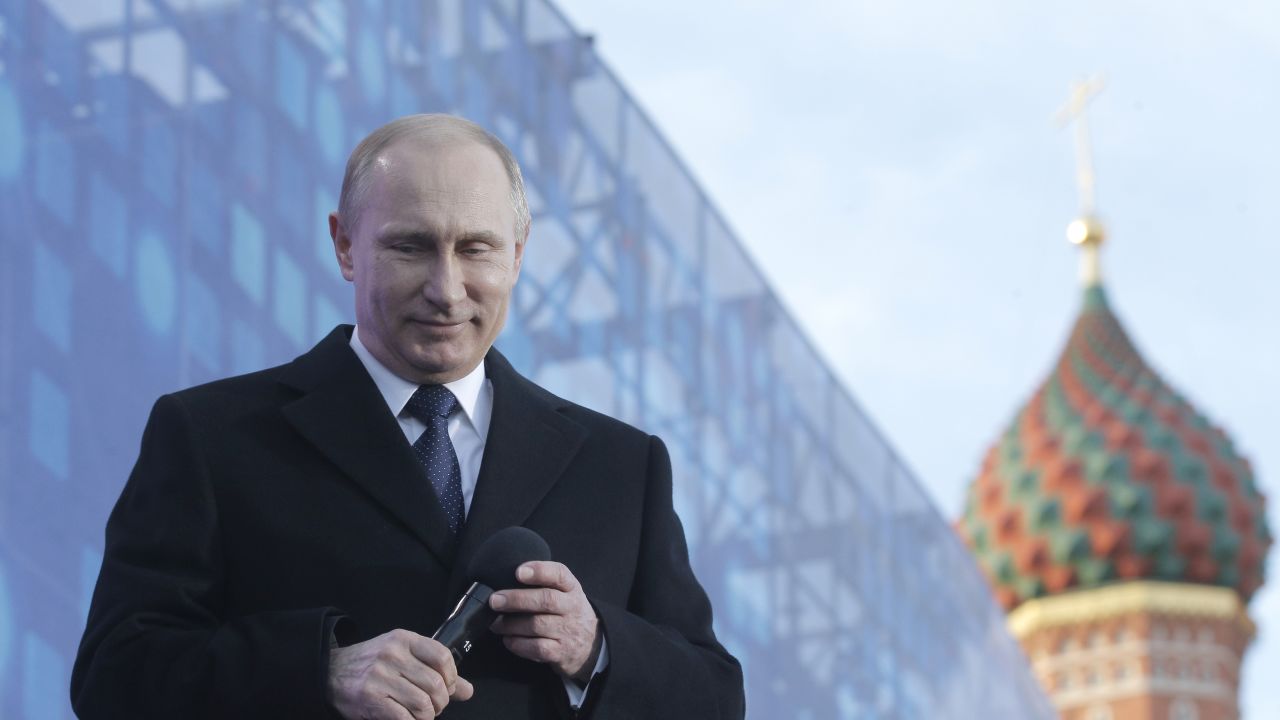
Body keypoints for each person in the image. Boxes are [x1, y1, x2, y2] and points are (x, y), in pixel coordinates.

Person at [70, 114, 744, 719]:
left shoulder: (620, 465)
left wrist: (597, 649)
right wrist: (319, 670)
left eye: (475, 248)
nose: (445, 290)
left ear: (518, 253)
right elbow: (115, 676)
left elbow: (715, 698)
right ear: (344, 246)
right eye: (411, 247)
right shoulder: (214, 435)